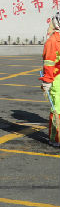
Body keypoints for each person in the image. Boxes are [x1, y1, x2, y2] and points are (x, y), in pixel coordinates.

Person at [40, 11, 60, 147]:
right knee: (57, 109)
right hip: (56, 80)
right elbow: (49, 64)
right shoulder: (53, 41)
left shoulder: (54, 41)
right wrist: (47, 81)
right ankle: (55, 138)